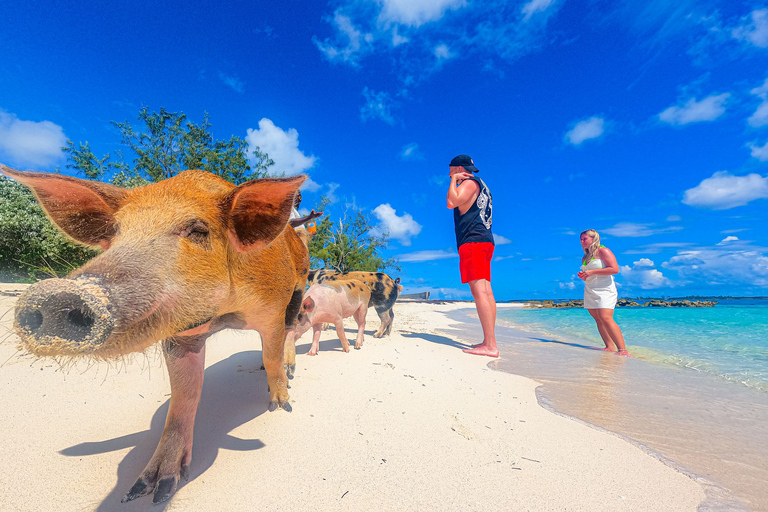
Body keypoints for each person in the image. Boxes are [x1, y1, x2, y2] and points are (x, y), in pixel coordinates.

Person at [446, 154, 498, 358]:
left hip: (474, 242)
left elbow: (452, 201)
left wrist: (454, 180)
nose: (449, 173)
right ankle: (489, 341)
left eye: (451, 170)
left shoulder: (468, 183)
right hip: (483, 241)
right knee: (486, 292)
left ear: (458, 168)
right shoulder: (481, 184)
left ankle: (491, 346)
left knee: (480, 293)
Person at [577, 229, 629, 356]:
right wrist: (584, 276)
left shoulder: (603, 251)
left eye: (585, 239)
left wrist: (592, 272)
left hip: (605, 289)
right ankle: (609, 346)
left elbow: (615, 269)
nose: (582, 241)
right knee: (598, 319)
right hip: (590, 289)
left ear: (593, 239)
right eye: (581, 239)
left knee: (606, 317)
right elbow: (588, 275)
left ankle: (623, 350)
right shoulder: (585, 257)